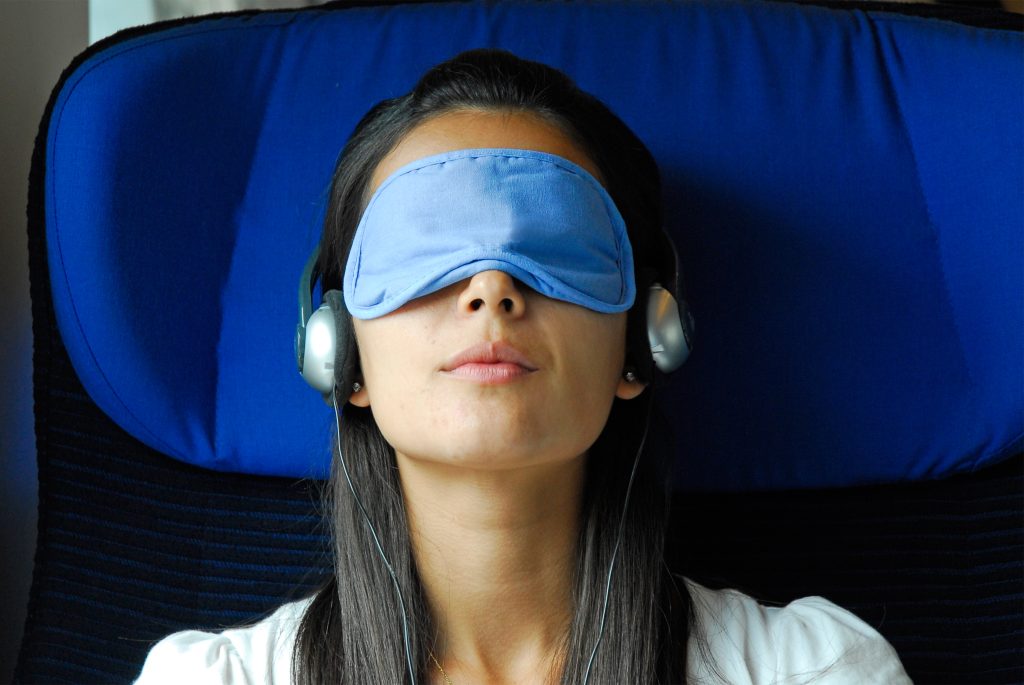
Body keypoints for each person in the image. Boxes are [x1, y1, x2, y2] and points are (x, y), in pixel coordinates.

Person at [134, 48, 911, 685]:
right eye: (426, 250)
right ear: (340, 349)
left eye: (554, 245)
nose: (491, 289)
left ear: (642, 339)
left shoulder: (811, 671)